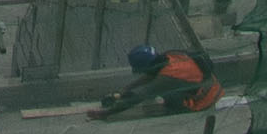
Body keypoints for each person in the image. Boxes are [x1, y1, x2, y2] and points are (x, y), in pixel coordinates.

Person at [91, 43, 221, 121]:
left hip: (206, 98)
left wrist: (106, 113)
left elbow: (138, 96)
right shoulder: (169, 56)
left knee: (164, 93)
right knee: (161, 89)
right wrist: (122, 91)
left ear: (148, 66)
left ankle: (180, 111)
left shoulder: (168, 76)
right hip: (209, 85)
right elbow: (150, 76)